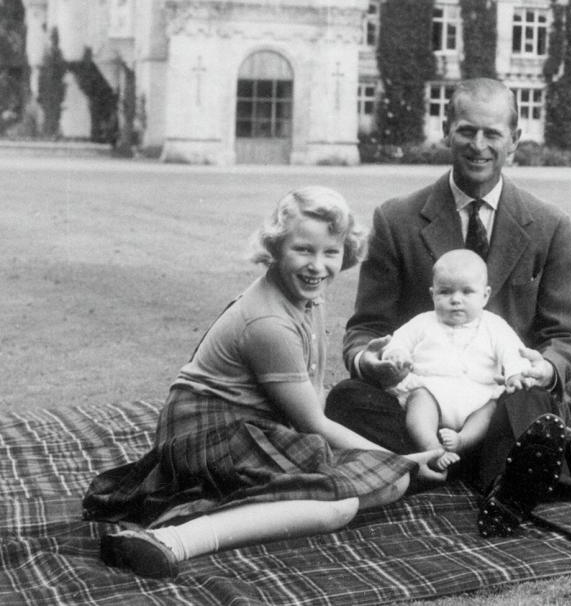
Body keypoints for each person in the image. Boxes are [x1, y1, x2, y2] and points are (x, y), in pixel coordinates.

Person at [83, 187, 446, 579]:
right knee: (340, 504)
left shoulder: (308, 297)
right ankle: (173, 539)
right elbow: (314, 424)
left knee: (386, 484)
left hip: (252, 429)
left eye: (330, 252)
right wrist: (401, 459)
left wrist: (388, 466)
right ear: (275, 247)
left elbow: (313, 393)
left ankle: (241, 504)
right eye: (303, 250)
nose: (317, 266)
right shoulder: (268, 322)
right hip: (207, 433)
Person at [324, 78, 571, 537]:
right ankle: (521, 467)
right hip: (417, 399)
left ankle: (461, 467)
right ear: (446, 131)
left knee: (535, 400)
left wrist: (545, 368)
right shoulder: (396, 219)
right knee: (346, 400)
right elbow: (365, 329)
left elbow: (563, 336)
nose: (478, 145)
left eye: (492, 134)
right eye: (466, 131)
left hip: (502, 399)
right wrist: (372, 360)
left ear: (515, 141)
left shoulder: (549, 224)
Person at [382, 249, 530, 472]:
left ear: (485, 295)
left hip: (477, 394)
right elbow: (399, 341)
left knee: (489, 410)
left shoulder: (494, 325)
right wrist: (397, 354)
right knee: (419, 402)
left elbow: (513, 351)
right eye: (445, 292)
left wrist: (515, 373)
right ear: (433, 294)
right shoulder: (423, 322)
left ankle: (462, 441)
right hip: (432, 390)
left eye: (467, 292)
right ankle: (431, 448)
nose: (456, 300)